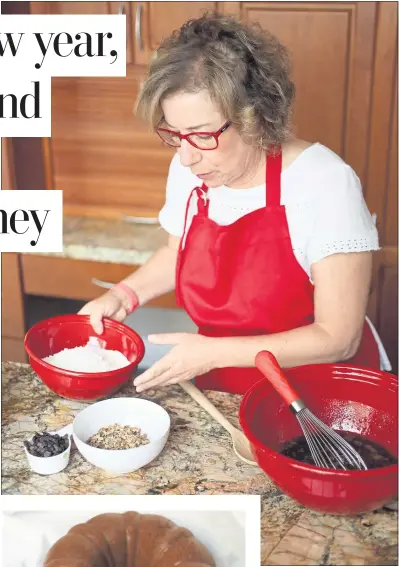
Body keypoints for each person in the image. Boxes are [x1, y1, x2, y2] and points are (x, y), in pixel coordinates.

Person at [79, 14, 391, 395]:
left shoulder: (324, 182)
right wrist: (122, 295)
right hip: (225, 382)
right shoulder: (192, 168)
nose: (186, 156)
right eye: (175, 135)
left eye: (201, 135)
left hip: (320, 393)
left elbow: (339, 337)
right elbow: (175, 252)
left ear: (255, 117)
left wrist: (212, 353)